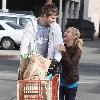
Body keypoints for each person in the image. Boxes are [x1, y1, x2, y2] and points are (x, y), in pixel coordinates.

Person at [18, 3, 63, 80]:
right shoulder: (31, 25)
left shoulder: (56, 27)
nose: (54, 20)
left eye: (55, 18)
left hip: (47, 64)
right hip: (33, 64)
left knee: (46, 90)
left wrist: (55, 61)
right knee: (31, 89)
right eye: (52, 18)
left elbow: (59, 46)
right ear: (45, 16)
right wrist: (24, 60)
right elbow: (24, 45)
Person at [58, 27, 83, 100]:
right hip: (60, 82)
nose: (65, 33)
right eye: (65, 31)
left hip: (71, 82)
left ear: (73, 36)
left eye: (68, 32)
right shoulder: (63, 46)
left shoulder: (77, 50)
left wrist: (64, 52)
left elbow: (71, 65)